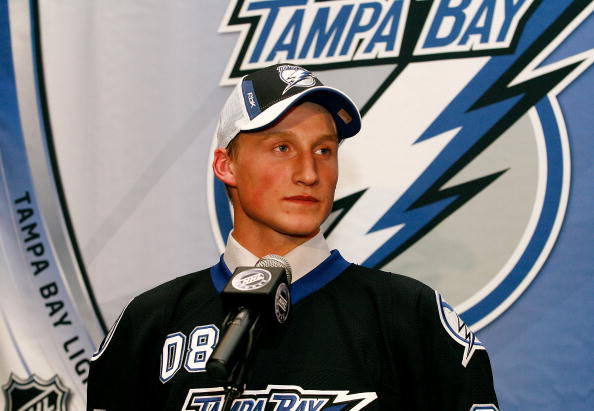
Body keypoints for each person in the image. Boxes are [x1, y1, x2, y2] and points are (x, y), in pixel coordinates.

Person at [87, 64, 499, 410]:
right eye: (282, 147)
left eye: (324, 150)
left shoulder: (410, 315)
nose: (308, 173)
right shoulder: (148, 323)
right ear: (226, 165)